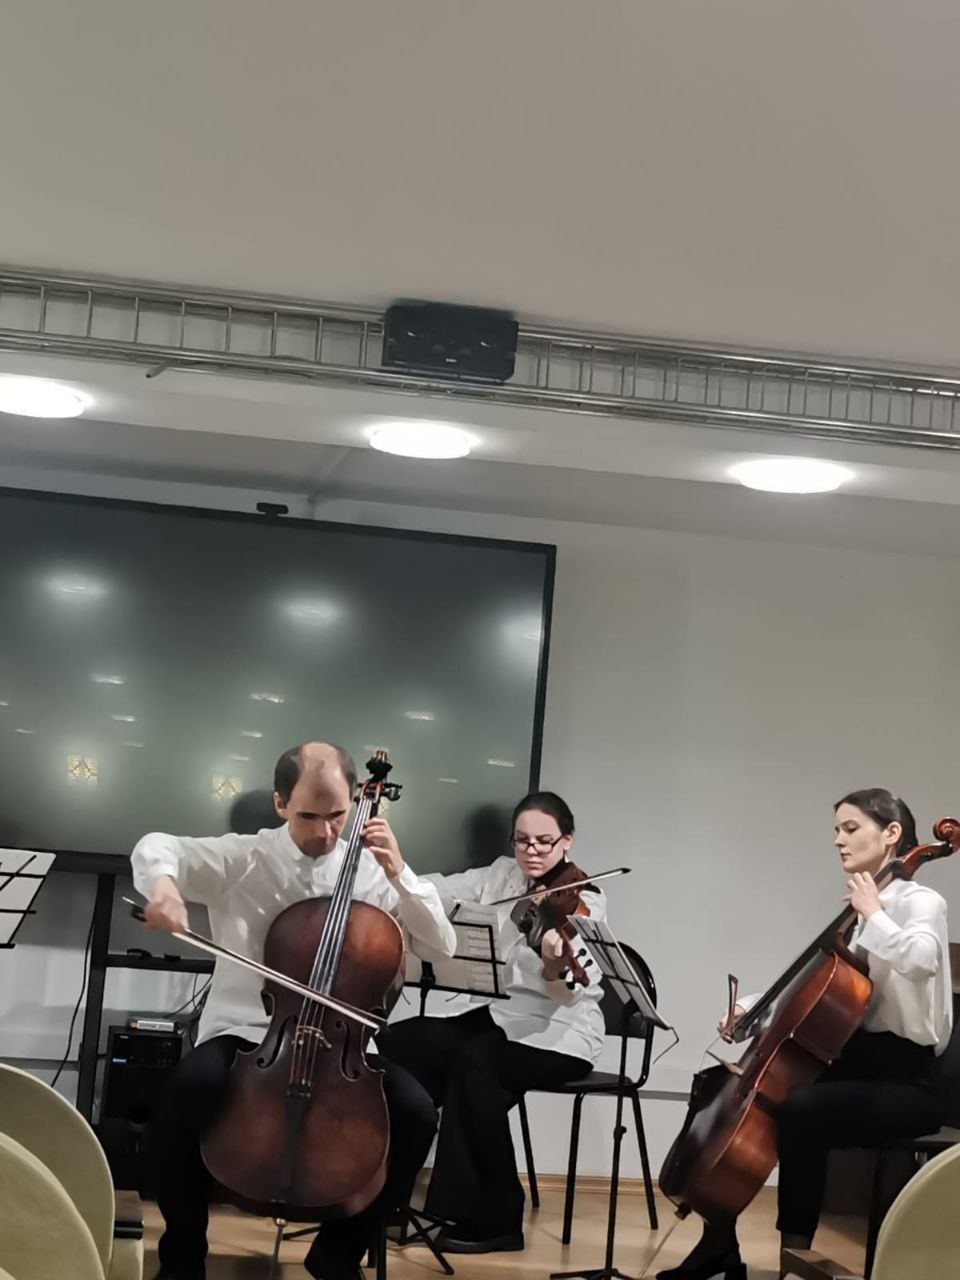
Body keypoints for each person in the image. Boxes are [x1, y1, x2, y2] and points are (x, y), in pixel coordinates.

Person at [132, 742, 456, 1280]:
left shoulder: (373, 870)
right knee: (189, 1089)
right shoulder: (246, 859)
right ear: (281, 803)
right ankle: (182, 1258)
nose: (326, 833)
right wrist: (164, 888)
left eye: (338, 816)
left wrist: (401, 874)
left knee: (417, 1115)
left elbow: (441, 945)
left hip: (343, 1046)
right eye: (309, 816)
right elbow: (156, 846)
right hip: (248, 1033)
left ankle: (337, 1253)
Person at [660, 788, 952, 1280]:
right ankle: (718, 1244)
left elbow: (921, 960)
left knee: (800, 1111)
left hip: (908, 1080)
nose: (838, 840)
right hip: (855, 1064)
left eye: (850, 828)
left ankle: (795, 1257)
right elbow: (814, 989)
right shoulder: (862, 908)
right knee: (719, 1084)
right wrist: (750, 1009)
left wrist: (873, 913)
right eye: (836, 830)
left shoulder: (922, 901)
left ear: (892, 833)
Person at [380, 789, 608, 1254]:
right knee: (397, 1045)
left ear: (567, 840)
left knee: (476, 1066)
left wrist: (553, 965)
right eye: (522, 840)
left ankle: (496, 1218)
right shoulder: (501, 876)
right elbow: (438, 889)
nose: (532, 851)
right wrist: (394, 878)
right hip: (498, 1019)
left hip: (560, 1036)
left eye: (544, 841)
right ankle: (385, 1196)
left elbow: (570, 993)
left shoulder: (586, 900)